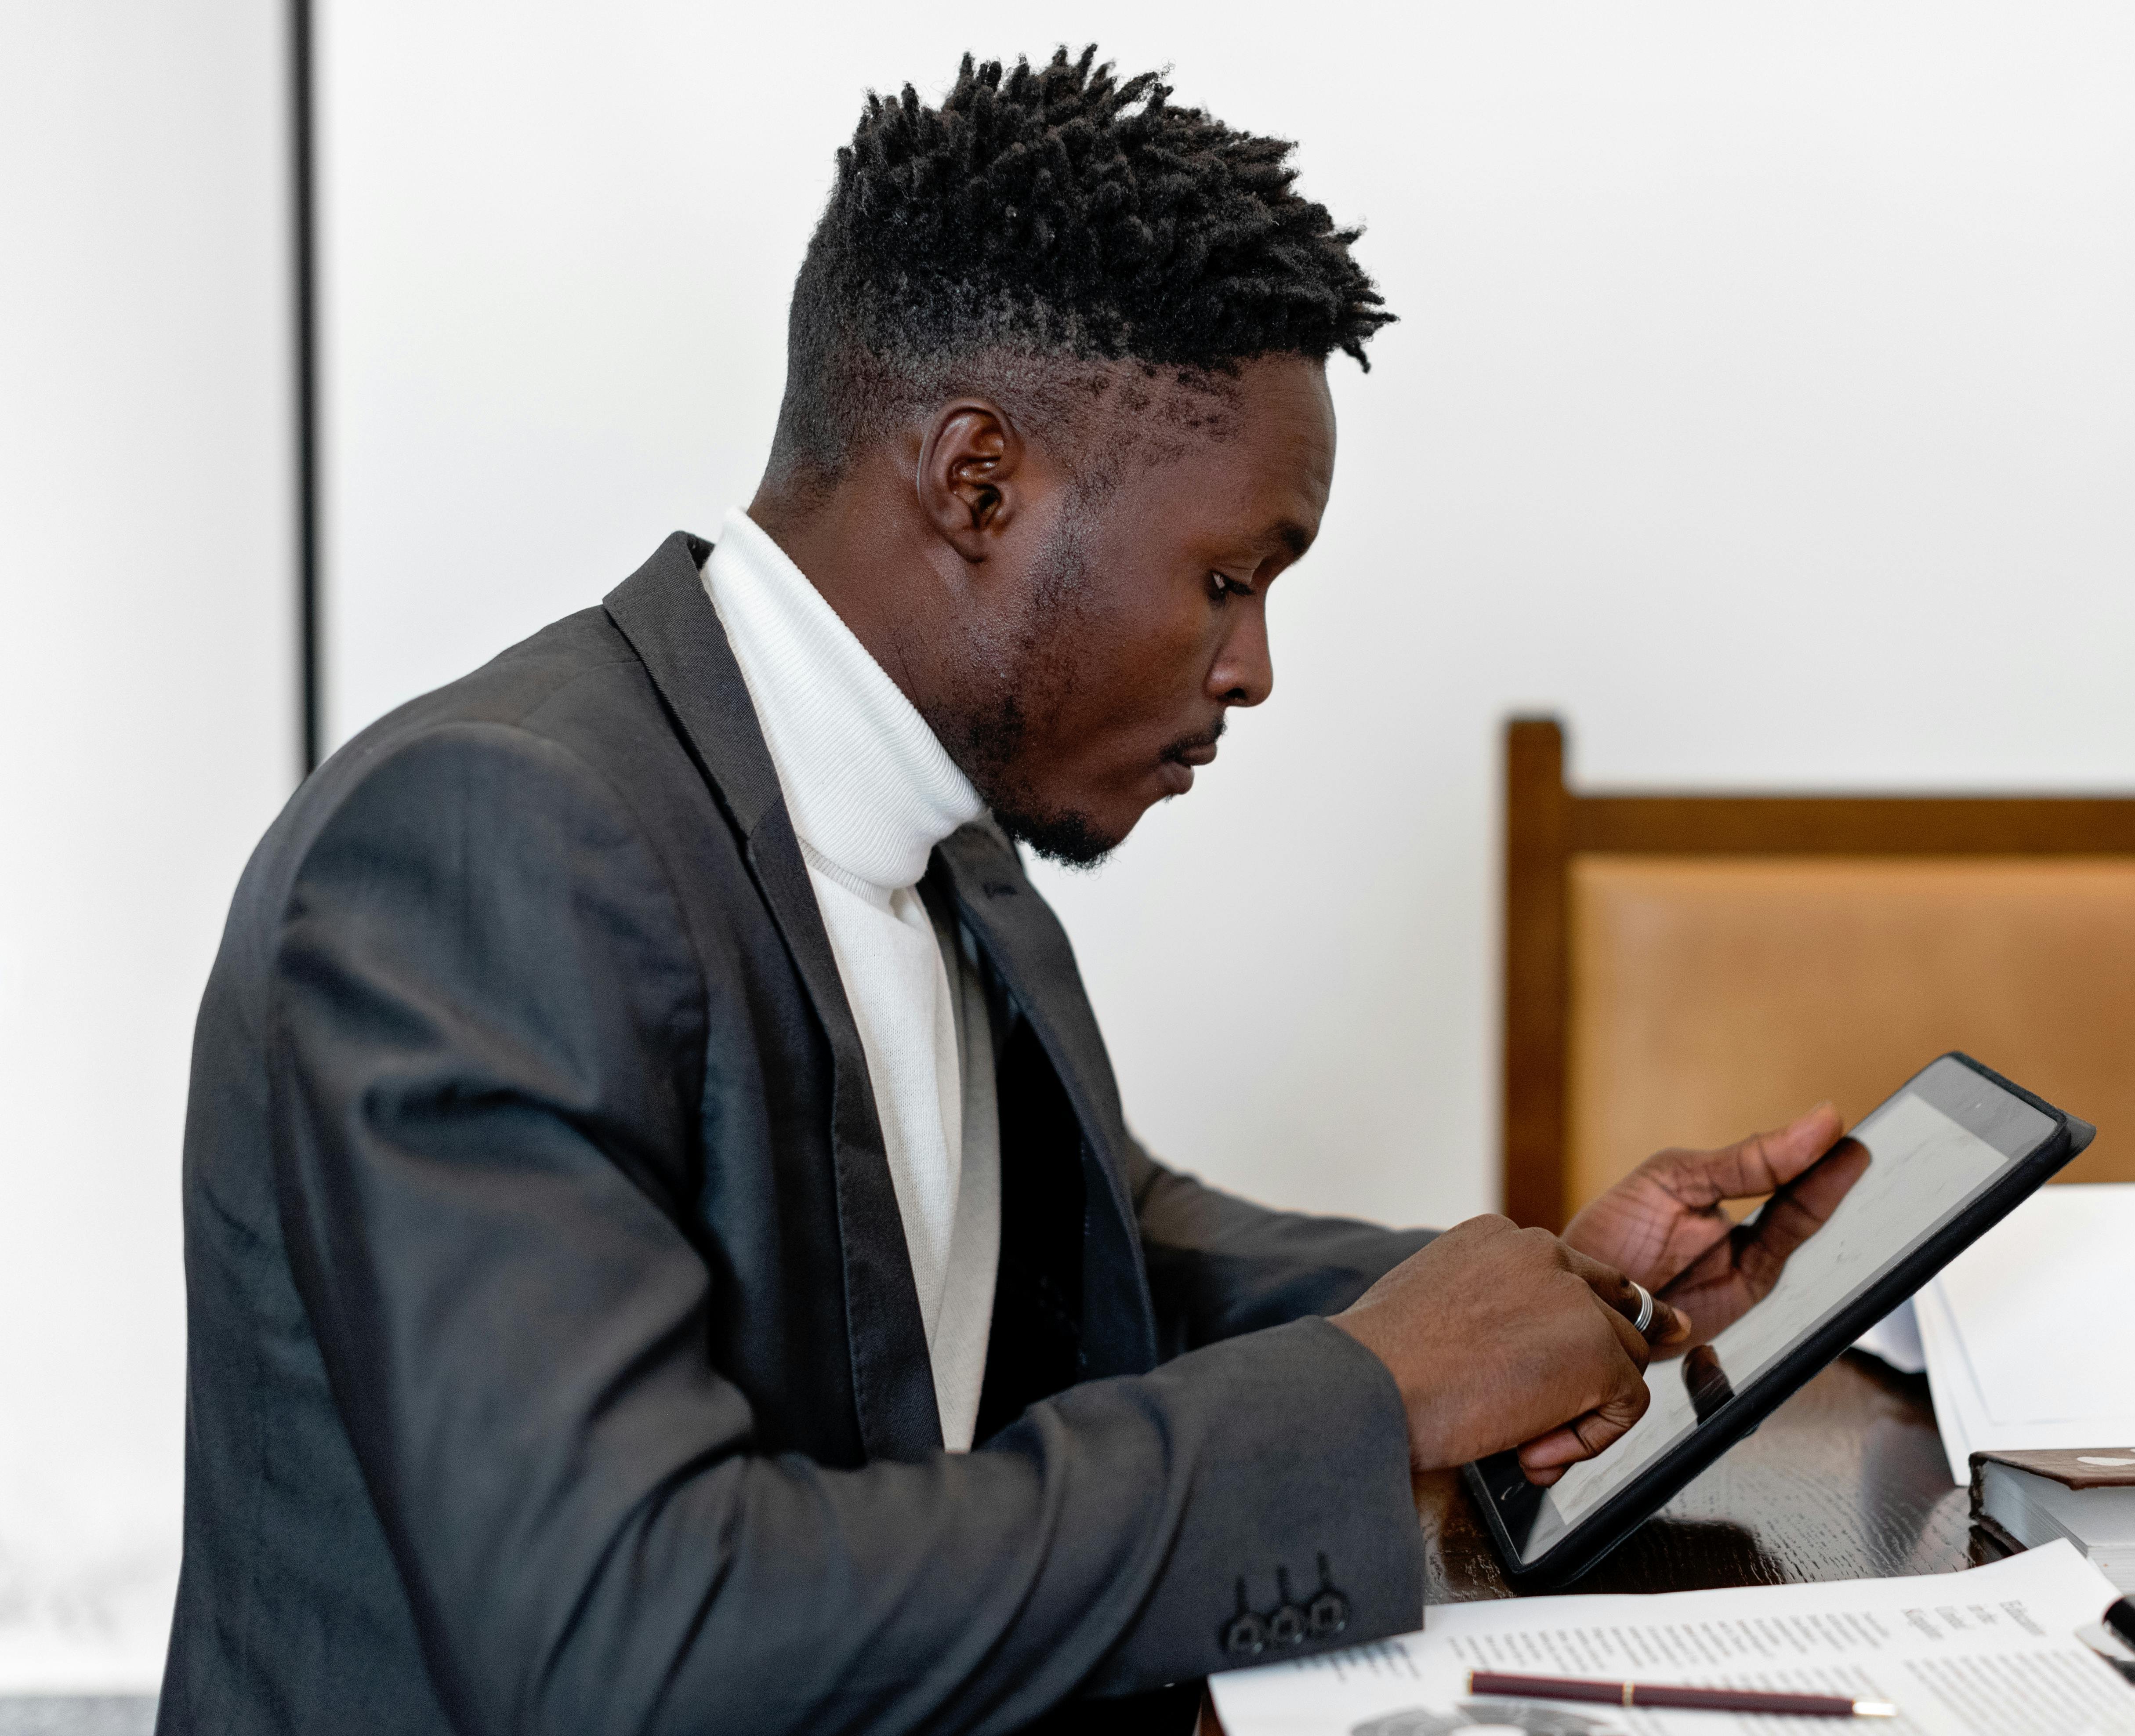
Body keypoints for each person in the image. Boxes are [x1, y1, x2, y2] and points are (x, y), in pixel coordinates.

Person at [160, 48, 1844, 1736]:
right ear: (979, 482)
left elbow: (1109, 1249)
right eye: (1227, 578)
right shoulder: (486, 843)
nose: (1253, 668)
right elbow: (627, 1632)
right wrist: (1368, 1398)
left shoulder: (944, 843)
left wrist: (1548, 1300)